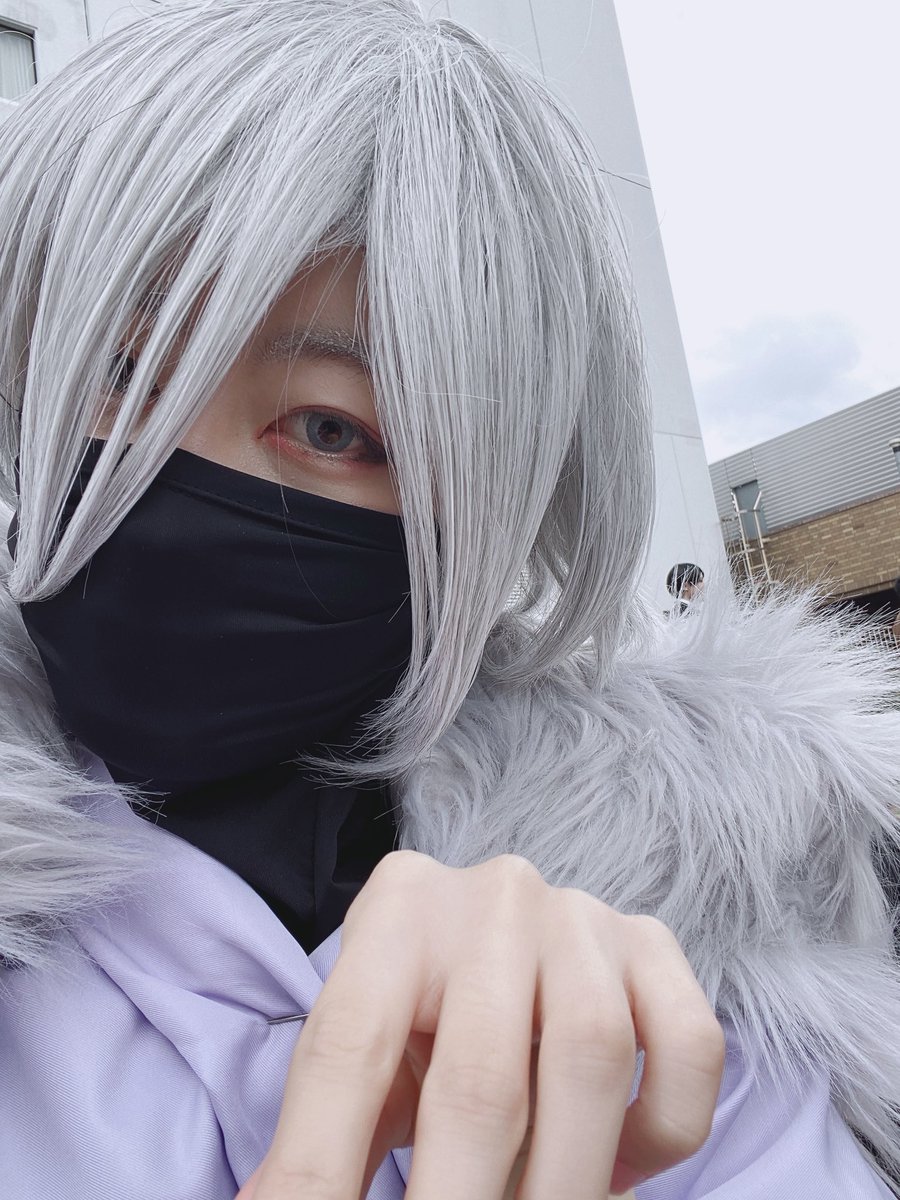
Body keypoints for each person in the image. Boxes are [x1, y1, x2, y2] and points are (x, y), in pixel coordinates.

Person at [0, 3, 897, 1198]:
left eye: (331, 428)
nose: (157, 480)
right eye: (118, 372)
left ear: (489, 513)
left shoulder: (687, 1006)